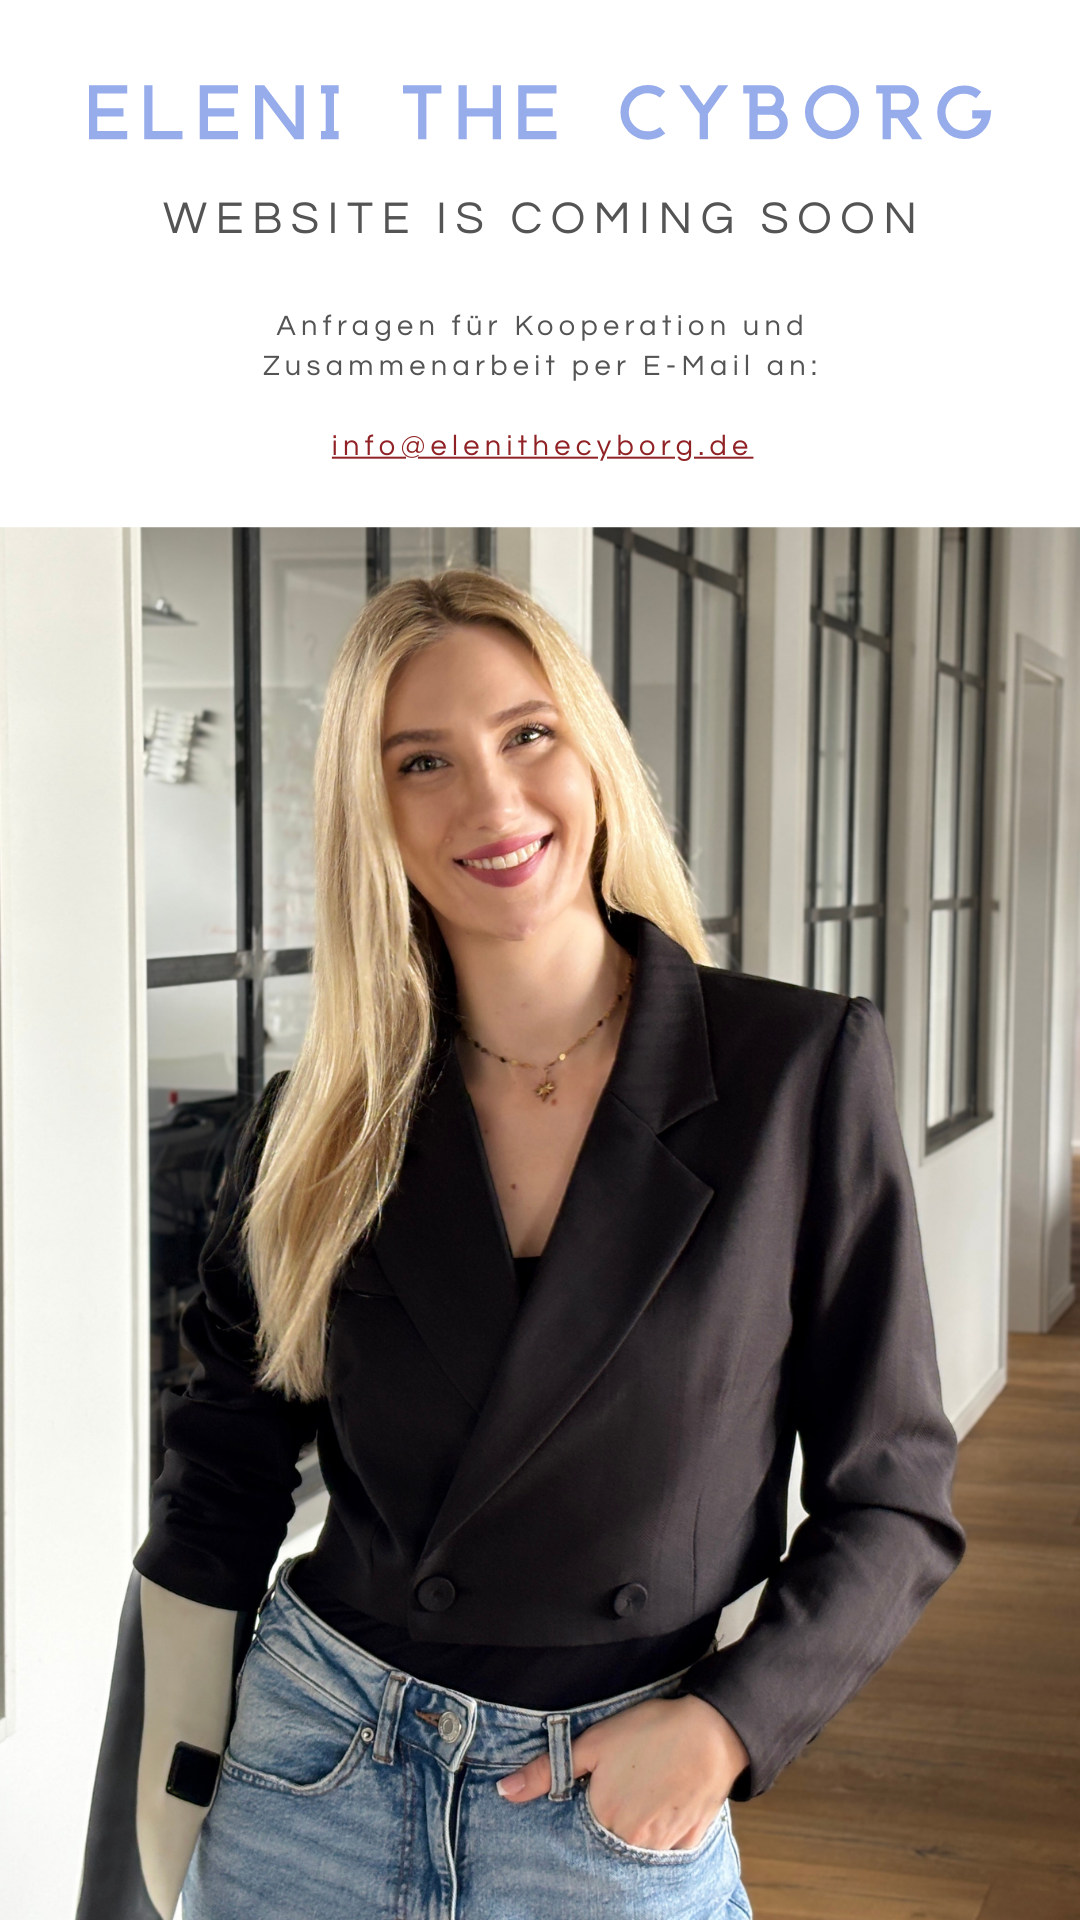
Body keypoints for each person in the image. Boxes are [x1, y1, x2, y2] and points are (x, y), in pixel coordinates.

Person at [78, 568, 964, 1920]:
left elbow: (894, 1494)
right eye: (421, 761)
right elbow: (218, 1492)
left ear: (592, 754)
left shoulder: (794, 1071)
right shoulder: (318, 1123)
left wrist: (725, 1725)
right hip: (311, 1774)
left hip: (605, 1799)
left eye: (526, 734)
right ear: (374, 811)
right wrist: (145, 1833)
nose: (491, 802)